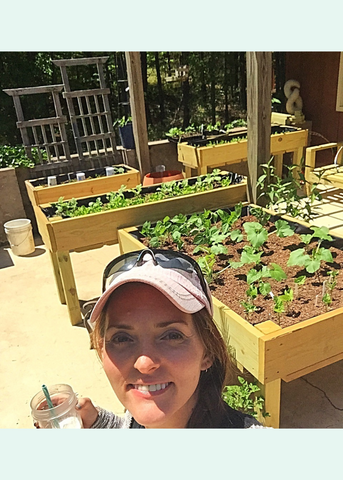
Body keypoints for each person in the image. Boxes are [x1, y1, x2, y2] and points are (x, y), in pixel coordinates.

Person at [77, 248, 263, 429]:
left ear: (207, 351)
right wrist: (99, 424)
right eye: (122, 339)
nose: (144, 363)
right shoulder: (141, 405)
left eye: (172, 336)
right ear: (101, 347)